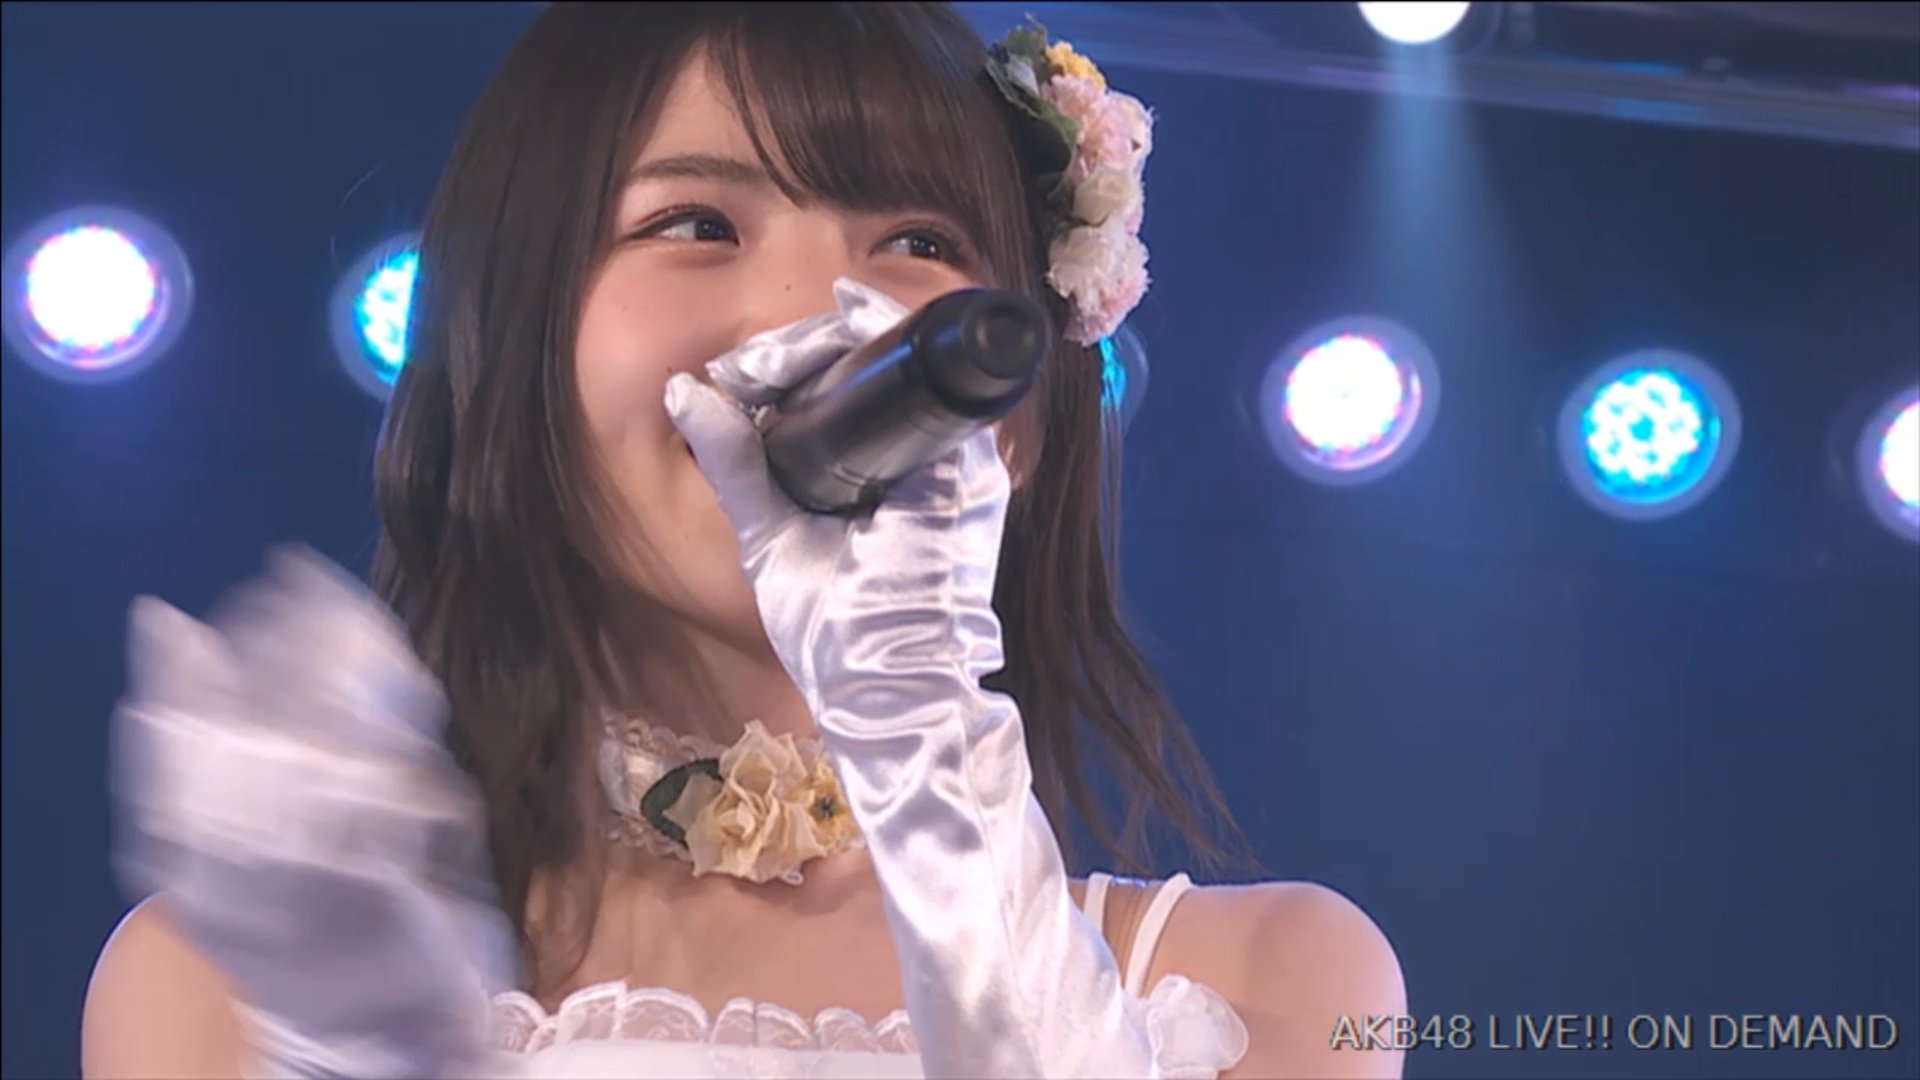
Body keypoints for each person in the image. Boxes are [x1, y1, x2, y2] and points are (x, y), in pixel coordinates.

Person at [80, 3, 1408, 1077]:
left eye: (919, 241)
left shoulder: (1270, 984)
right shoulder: (233, 983)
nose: (818, 310)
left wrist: (925, 741)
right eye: (696, 224)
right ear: (510, 349)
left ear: (1016, 429)